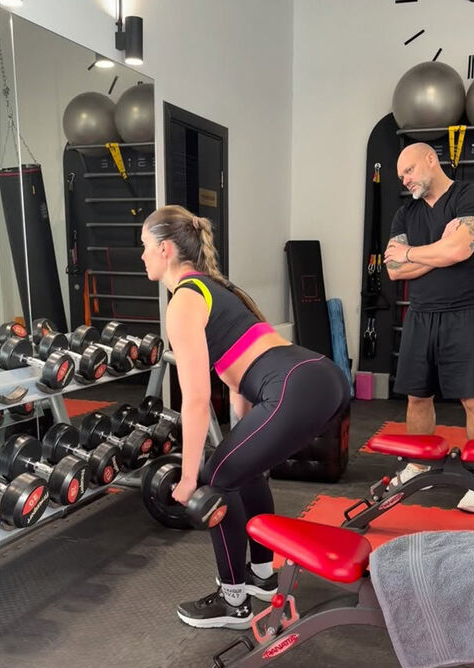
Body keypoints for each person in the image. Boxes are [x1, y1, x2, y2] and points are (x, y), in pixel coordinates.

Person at [140, 204, 350, 629]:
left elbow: (196, 399)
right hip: (318, 378)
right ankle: (261, 578)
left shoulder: (184, 301)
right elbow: (238, 379)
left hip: (292, 385)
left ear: (164, 249)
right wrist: (243, 437)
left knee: (217, 476)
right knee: (243, 469)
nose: (141, 255)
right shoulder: (218, 289)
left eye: (144, 246)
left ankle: (233, 600)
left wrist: (189, 477)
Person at [381, 142, 474, 512]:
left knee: (473, 400)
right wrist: (441, 249)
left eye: (409, 170)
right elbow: (393, 269)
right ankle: (419, 466)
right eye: (401, 175)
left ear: (431, 159)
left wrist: (415, 253)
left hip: (465, 313)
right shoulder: (406, 213)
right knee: (417, 396)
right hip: (420, 314)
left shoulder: (471, 197)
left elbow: (459, 250)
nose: (405, 180)